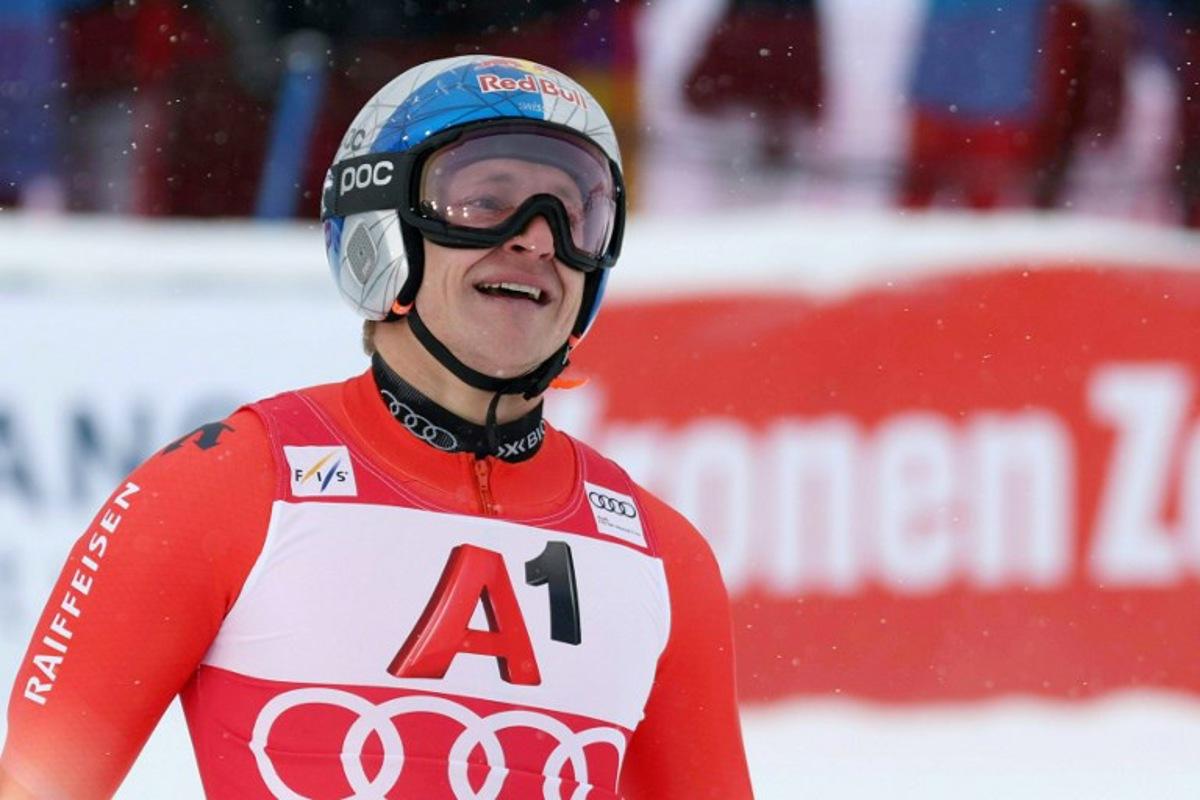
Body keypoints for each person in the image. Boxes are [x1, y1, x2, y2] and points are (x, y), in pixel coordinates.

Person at [0, 55, 754, 799]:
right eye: (486, 201)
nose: (537, 238)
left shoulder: (662, 557)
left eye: (572, 212)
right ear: (383, 233)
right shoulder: (224, 488)